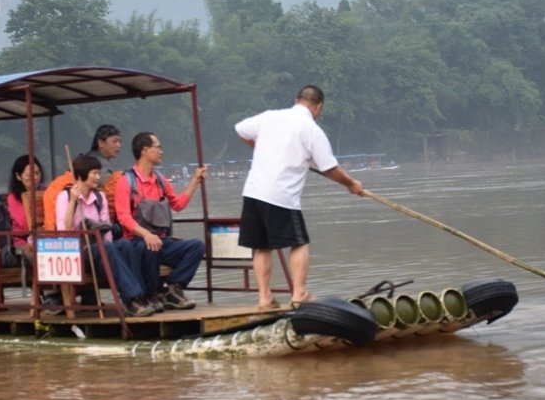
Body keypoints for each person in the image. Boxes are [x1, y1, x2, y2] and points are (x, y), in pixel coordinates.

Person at [234, 85, 363, 309]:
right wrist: (351, 184)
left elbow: (240, 130)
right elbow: (329, 167)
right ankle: (299, 294)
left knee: (261, 246)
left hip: (253, 191)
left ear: (296, 100)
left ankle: (265, 298)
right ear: (318, 107)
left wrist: (258, 145)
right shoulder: (310, 129)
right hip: (280, 195)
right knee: (299, 242)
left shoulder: (270, 117)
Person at [114, 132, 206, 310]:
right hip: (137, 242)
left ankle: (173, 288)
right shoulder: (126, 182)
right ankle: (151, 294)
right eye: (158, 147)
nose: (161, 151)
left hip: (161, 241)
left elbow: (177, 205)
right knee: (150, 247)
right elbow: (123, 217)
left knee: (197, 246)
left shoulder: (160, 181)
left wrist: (195, 181)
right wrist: (147, 234)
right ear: (145, 150)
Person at [56, 154, 155, 317]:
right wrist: (74, 201)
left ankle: (140, 297)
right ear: (81, 175)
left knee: (124, 245)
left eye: (98, 173)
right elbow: (63, 231)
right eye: (94, 173)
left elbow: (107, 228)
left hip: (100, 249)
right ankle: (131, 299)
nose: (98, 177)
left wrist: (109, 246)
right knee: (108, 248)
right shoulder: (65, 197)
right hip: (77, 250)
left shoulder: (99, 197)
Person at [43, 123, 122, 231]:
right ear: (101, 143)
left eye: (120, 142)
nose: (118, 145)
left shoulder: (97, 161)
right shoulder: (95, 163)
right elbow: (64, 228)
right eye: (115, 141)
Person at [6, 154, 45, 252]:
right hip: (23, 242)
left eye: (37, 173)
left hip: (46, 238)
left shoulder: (47, 192)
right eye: (29, 175)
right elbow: (26, 225)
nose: (34, 177)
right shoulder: (13, 198)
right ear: (18, 176)